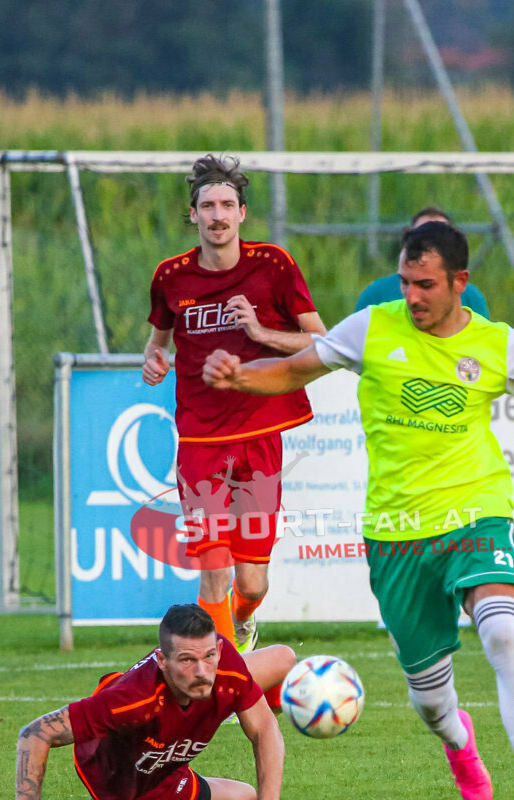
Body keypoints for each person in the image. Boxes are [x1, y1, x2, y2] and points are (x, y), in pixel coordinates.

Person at [201, 220, 514, 800]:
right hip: (395, 536)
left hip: (475, 515)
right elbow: (294, 371)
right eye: (405, 281)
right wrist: (241, 376)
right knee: (430, 698)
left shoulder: (498, 344)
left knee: (502, 633)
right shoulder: (372, 328)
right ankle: (457, 739)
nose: (412, 295)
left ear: (459, 282)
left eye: (425, 284)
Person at [142, 153, 326, 662]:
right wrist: (154, 360)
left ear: (242, 213)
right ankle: (226, 678)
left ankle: (243, 619)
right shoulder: (171, 276)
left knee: (251, 582)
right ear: (194, 214)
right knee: (214, 569)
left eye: (227, 205)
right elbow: (157, 343)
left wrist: (260, 331)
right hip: (201, 441)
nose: (217, 215)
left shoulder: (273, 265)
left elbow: (322, 342)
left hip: (260, 435)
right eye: (208, 206)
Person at [15, 603, 293, 800]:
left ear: (219, 649)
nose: (202, 672)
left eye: (209, 656)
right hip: (128, 787)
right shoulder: (132, 701)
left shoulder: (224, 664)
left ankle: (245, 700)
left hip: (169, 750)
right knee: (244, 796)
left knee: (284, 657)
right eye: (187, 660)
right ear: (162, 660)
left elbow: (264, 728)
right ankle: (239, 702)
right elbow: (36, 732)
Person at [355, 206, 490, 319]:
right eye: (422, 235)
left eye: (427, 285)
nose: (412, 298)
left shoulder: (471, 296)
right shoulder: (376, 293)